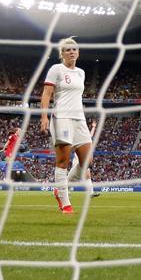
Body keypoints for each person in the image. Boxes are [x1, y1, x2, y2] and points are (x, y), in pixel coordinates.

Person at [40, 36, 91, 214]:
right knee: (63, 161)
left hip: (79, 119)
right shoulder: (56, 69)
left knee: (87, 162)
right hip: (61, 118)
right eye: (68, 49)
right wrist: (44, 117)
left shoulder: (81, 73)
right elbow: (46, 94)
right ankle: (65, 202)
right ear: (62, 53)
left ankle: (61, 188)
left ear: (78, 52)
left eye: (74, 49)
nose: (71, 52)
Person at [69, 118, 100, 198]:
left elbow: (90, 136)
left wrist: (93, 127)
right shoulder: (77, 137)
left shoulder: (84, 138)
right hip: (77, 160)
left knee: (87, 176)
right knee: (72, 178)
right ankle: (65, 190)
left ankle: (91, 192)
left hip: (84, 160)